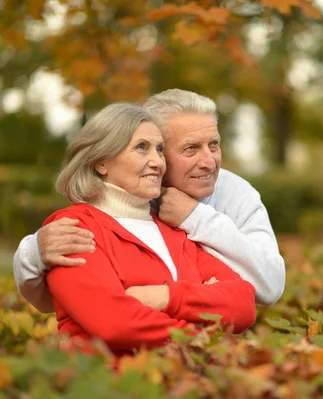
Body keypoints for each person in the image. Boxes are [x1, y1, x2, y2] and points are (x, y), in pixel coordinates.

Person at [13, 89, 285, 312]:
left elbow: (269, 287)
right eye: (191, 148)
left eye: (213, 145)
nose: (208, 162)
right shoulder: (124, 203)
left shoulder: (236, 192)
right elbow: (67, 301)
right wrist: (34, 252)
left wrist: (195, 218)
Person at [41, 103, 256, 356]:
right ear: (101, 162)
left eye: (160, 150)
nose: (157, 162)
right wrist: (203, 332)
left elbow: (243, 304)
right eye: (141, 147)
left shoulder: (175, 232)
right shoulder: (74, 228)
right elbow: (114, 324)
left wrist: (166, 297)